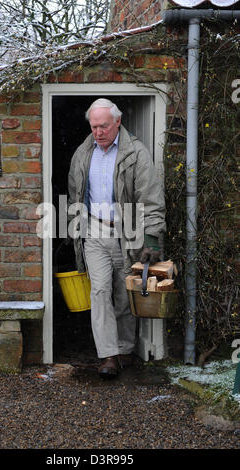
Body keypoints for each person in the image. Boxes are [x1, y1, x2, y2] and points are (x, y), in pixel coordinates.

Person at [68, 98, 166, 378]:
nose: (98, 132)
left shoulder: (136, 153)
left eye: (103, 126)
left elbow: (151, 199)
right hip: (94, 231)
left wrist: (152, 240)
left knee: (124, 295)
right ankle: (108, 355)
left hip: (128, 231)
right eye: (94, 126)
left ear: (118, 122)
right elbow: (75, 194)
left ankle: (124, 349)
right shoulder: (82, 154)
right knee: (99, 292)